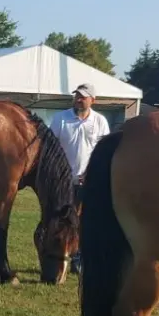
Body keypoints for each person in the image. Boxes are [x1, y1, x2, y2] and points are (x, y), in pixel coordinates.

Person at [47, 84, 111, 272]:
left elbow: (103, 152)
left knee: (85, 222)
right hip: (63, 182)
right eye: (77, 96)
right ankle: (57, 257)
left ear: (93, 100)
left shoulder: (100, 121)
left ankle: (79, 259)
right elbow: (51, 149)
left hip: (89, 181)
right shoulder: (61, 119)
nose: (78, 99)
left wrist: (91, 172)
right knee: (62, 221)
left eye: (83, 96)